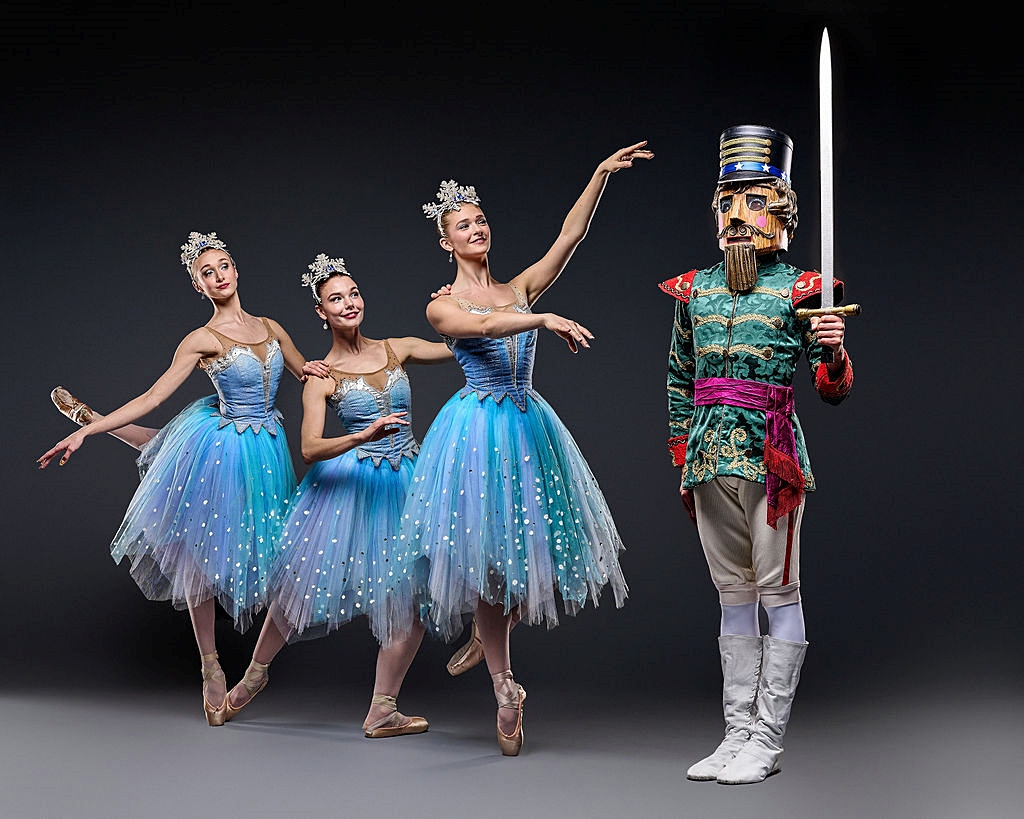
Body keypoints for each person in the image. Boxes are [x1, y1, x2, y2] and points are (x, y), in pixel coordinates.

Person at [394, 142, 651, 755]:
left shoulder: (519, 286)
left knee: (525, 559)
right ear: (446, 242)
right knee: (490, 562)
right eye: (463, 225)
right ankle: (505, 688)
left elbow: (569, 237)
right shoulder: (441, 305)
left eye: (481, 220)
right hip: (477, 433)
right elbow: (483, 327)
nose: (476, 229)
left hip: (527, 428)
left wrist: (598, 174)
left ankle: (487, 641)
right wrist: (542, 319)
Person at [38, 231, 328, 726]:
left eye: (223, 266)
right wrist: (85, 438)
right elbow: (152, 397)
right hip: (225, 444)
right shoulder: (201, 339)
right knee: (200, 552)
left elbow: (310, 373)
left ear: (236, 269)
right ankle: (210, 664)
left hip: (266, 449)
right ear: (199, 286)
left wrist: (359, 367)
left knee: (170, 450)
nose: (218, 276)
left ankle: (256, 671)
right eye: (206, 273)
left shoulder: (271, 327)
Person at [659, 125, 855, 784]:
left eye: (755, 201)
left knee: (778, 590)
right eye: (727, 202)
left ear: (784, 214)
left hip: (772, 455)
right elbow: (679, 375)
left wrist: (833, 350)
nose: (738, 216)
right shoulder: (695, 289)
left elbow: (831, 389)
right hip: (708, 456)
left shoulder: (803, 290)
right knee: (732, 594)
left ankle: (766, 739)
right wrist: (683, 450)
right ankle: (736, 732)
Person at [218, 253, 453, 737]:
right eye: (335, 299)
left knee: (415, 597)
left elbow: (462, 346)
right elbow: (309, 448)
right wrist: (362, 436)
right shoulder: (321, 377)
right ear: (321, 312)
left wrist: (456, 305)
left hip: (407, 481)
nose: (348, 304)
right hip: (349, 487)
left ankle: (382, 708)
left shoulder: (396, 348)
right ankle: (254, 676)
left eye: (353, 294)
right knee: (298, 587)